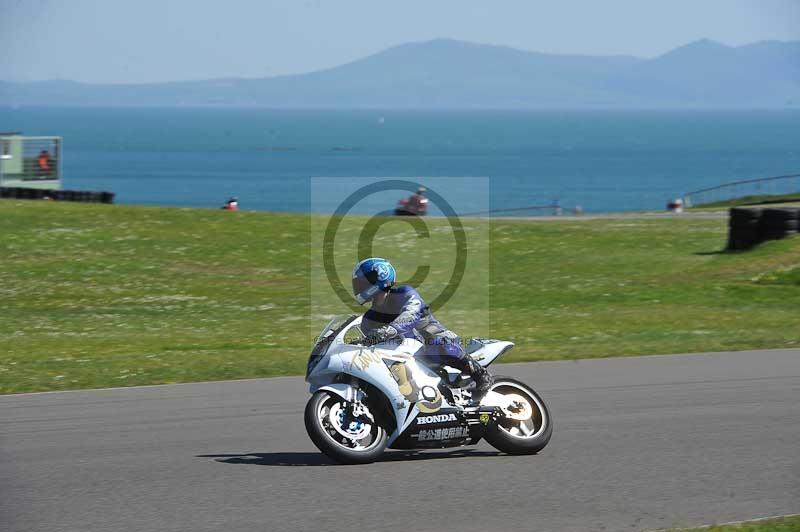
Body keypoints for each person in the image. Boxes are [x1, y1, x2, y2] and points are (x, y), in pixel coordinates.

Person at [351, 257, 493, 399]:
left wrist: (389, 330)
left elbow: (411, 313)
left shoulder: (404, 293)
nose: (359, 287)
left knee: (438, 345)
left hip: (432, 339)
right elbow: (370, 343)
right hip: (404, 354)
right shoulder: (368, 319)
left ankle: (480, 375)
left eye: (363, 283)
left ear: (380, 277)